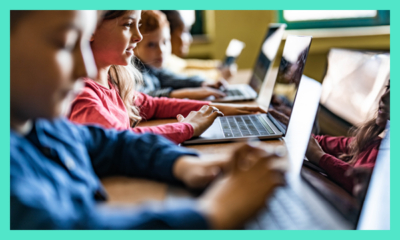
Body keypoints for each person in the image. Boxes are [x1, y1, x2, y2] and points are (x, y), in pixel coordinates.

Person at [11, 10, 287, 230]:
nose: (85, 65)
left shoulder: (43, 126)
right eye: (67, 43)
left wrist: (183, 164)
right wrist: (213, 213)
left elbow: (115, 145)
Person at [69, 10, 267, 144]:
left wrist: (222, 109)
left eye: (138, 26)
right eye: (128, 25)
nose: (138, 37)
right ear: (91, 28)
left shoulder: (115, 79)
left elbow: (155, 105)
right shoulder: (82, 95)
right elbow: (123, 140)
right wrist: (188, 127)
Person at [305, 81, 390, 193]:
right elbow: (320, 142)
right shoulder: (371, 142)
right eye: (388, 87)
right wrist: (295, 129)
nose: (383, 97)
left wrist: (319, 156)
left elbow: (362, 182)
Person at [134, 10, 227, 99]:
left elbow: (173, 78)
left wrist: (202, 83)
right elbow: (143, 98)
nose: (161, 51)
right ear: (133, 46)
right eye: (151, 45)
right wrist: (188, 93)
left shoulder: (153, 68)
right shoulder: (134, 72)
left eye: (165, 41)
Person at [161, 10, 236, 81]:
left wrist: (217, 66)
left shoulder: (170, 58)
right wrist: (218, 74)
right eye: (184, 32)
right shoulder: (161, 62)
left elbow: (185, 65)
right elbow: (184, 77)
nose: (190, 39)